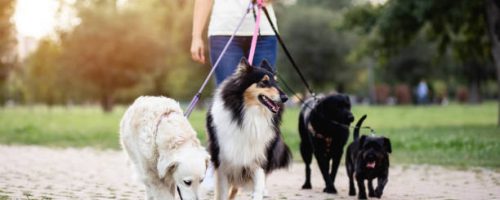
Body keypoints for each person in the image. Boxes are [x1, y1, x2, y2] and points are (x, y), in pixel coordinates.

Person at [191, 0, 279, 85]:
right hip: (223, 33)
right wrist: (196, 36)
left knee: (265, 91)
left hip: (264, 33)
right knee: (229, 95)